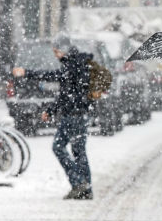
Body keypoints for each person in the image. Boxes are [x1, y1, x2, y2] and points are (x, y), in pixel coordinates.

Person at [12, 36, 98, 200]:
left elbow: (58, 83)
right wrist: (51, 110)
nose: (55, 54)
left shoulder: (71, 66)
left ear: (64, 50)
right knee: (79, 152)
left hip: (72, 115)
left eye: (56, 51)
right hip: (80, 113)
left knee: (58, 147)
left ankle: (80, 183)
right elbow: (67, 93)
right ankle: (86, 189)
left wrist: (27, 73)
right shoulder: (79, 63)